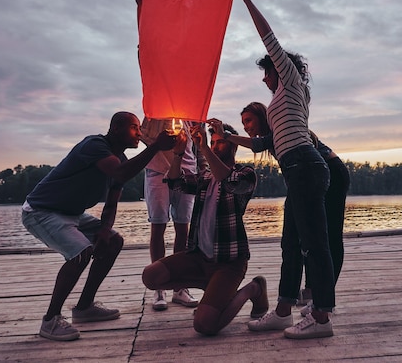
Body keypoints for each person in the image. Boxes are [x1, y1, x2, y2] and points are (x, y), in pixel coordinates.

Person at [230, 0, 335, 339]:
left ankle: (321, 318)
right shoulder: (282, 101)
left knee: (314, 245)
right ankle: (284, 310)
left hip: (306, 166)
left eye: (266, 72)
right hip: (296, 171)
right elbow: (263, 144)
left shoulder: (291, 83)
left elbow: (268, 38)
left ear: (280, 68)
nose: (263, 79)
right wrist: (228, 137)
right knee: (290, 244)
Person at [21, 112, 176, 341]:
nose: (139, 133)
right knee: (81, 253)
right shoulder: (94, 145)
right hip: (41, 211)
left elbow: (112, 202)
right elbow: (120, 173)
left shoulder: (121, 159)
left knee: (113, 241)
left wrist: (104, 231)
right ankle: (50, 320)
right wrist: (155, 147)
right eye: (134, 128)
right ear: (116, 129)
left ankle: (84, 308)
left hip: (72, 214)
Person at [142, 122, 269, 336]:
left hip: (229, 263)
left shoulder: (246, 174)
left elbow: (227, 180)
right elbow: (175, 183)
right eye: (213, 142)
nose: (215, 146)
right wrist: (178, 154)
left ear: (233, 147)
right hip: (199, 258)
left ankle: (253, 288)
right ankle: (210, 287)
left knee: (205, 325)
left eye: (221, 143)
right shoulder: (205, 178)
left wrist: (203, 149)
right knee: (151, 276)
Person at [234, 102, 350, 316]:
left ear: (263, 116)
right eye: (243, 123)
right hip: (309, 180)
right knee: (300, 239)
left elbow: (257, 144)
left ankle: (320, 299)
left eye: (249, 120)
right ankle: (313, 296)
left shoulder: (282, 129)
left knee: (329, 237)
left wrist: (226, 136)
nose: (246, 126)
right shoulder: (273, 137)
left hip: (332, 174)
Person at [139, 117, 199, 311]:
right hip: (157, 171)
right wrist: (161, 141)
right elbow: (143, 136)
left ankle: (179, 287)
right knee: (158, 226)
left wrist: (202, 167)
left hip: (187, 170)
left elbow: (199, 143)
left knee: (183, 228)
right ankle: (158, 288)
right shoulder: (154, 112)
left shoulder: (192, 112)